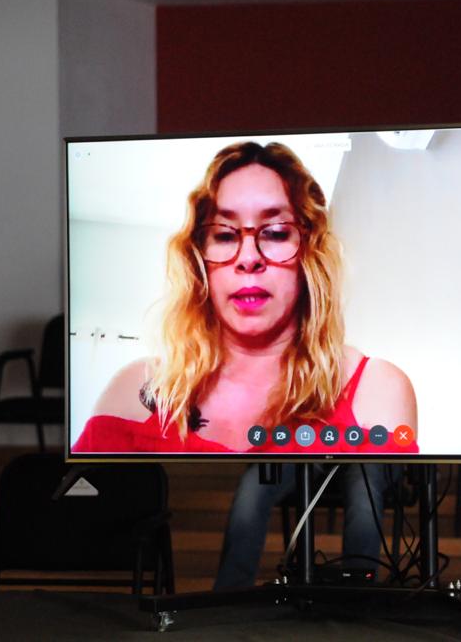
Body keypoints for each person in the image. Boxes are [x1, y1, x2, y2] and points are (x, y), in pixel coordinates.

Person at [72, 140, 418, 586]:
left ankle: (359, 598)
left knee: (363, 480)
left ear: (309, 251)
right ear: (199, 257)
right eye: (225, 234)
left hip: (342, 477)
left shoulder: (376, 386)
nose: (249, 259)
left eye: (274, 233)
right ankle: (226, 601)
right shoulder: (133, 390)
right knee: (257, 487)